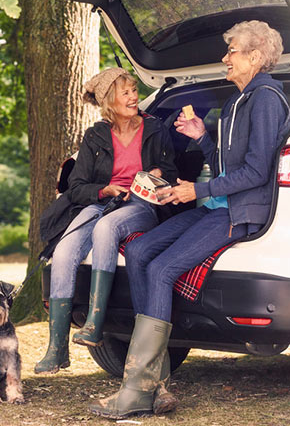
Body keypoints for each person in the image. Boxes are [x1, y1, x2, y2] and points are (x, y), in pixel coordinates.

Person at [89, 20, 290, 419]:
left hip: (239, 213)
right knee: (143, 249)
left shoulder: (266, 98)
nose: (225, 57)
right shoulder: (238, 101)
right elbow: (222, 166)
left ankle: (135, 391)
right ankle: (157, 387)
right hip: (217, 205)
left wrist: (195, 191)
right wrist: (202, 137)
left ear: (254, 57)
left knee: (163, 269)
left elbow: (256, 173)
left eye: (232, 50)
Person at [34, 67, 177, 374]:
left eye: (134, 91)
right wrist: (104, 190)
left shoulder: (155, 129)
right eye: (125, 92)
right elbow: (77, 186)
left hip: (140, 203)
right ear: (110, 100)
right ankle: (56, 348)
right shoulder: (96, 135)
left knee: (107, 227)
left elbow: (171, 169)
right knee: (63, 253)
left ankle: (94, 325)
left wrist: (159, 174)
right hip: (103, 200)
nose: (134, 97)